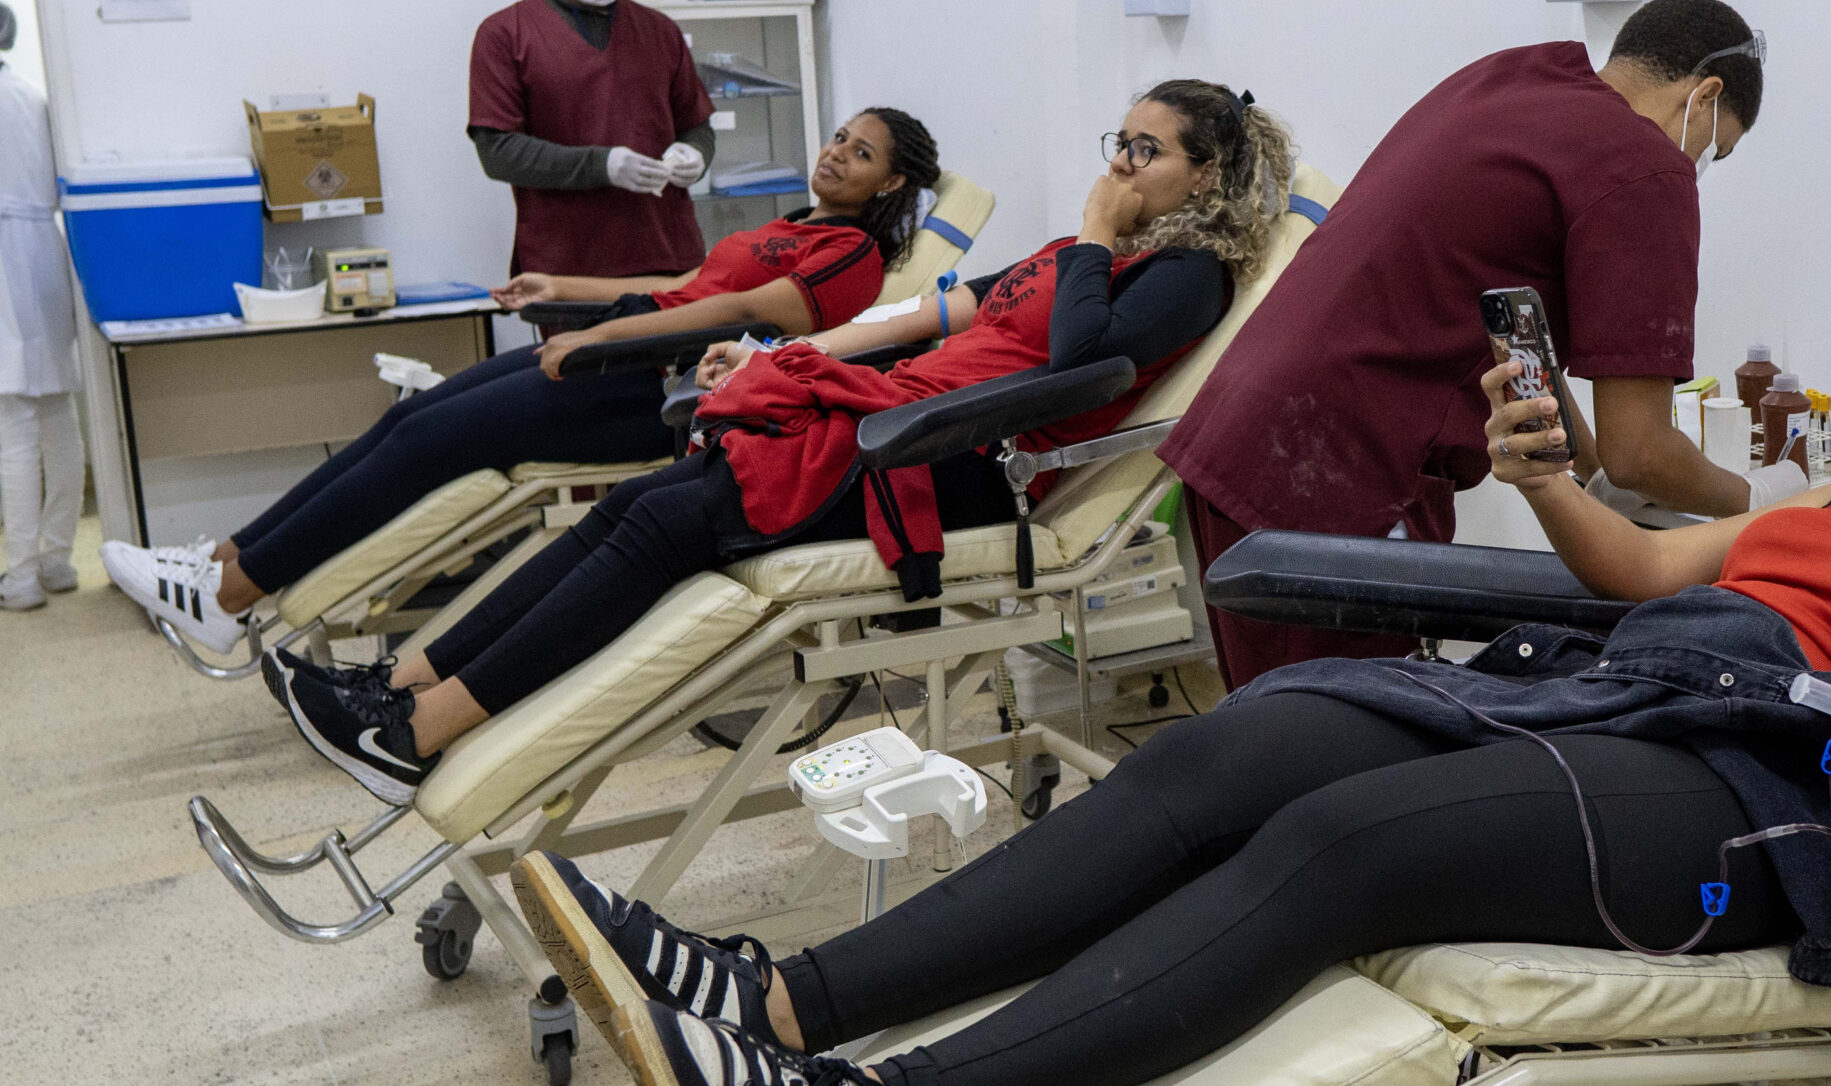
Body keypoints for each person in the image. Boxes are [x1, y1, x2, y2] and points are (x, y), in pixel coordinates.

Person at [504, 279, 1831, 1086]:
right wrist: (1545, 473)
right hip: (1604, 694)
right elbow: (1633, 578)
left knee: (1343, 842)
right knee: (1247, 738)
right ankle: (781, 1002)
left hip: (1750, 793)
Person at [276, 81, 1294, 806]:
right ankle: (403, 685)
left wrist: (1091, 230)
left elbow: (1080, 364)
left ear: (1206, 178)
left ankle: (421, 736)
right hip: (888, 413)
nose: (1117, 164)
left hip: (947, 461)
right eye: (1115, 142)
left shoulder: (1185, 274)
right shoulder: (1086, 254)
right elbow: (942, 312)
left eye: (1143, 151)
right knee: (634, 506)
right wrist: (788, 360)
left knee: (665, 526)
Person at [99, 109, 940, 653]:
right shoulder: (795, 223)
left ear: (892, 183)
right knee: (417, 416)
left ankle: (230, 599)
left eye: (860, 154)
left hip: (663, 396)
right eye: (837, 138)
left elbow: (719, 321)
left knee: (430, 439)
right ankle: (221, 561)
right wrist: (562, 292)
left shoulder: (851, 256)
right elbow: (683, 284)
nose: (836, 155)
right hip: (626, 353)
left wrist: (595, 337)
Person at [1159, 0, 1771, 687]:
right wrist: (1769, 502)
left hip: (1241, 437)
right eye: (1713, 146)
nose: (1696, 165)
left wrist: (1592, 474)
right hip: (1336, 485)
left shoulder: (1512, 78)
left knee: (1266, 736)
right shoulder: (1643, 162)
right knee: (1324, 754)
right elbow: (1642, 454)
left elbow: (1522, 345)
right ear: (1705, 93)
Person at [467, 0, 716, 278]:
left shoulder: (660, 32)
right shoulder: (506, 34)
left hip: (669, 262)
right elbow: (498, 152)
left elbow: (697, 126)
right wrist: (604, 165)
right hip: (567, 272)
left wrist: (696, 155)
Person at [0, 3, 84, 613]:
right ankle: (57, 560)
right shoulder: (32, 97)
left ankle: (21, 577)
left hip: (6, 258)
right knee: (59, 414)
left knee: (14, 426)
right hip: (45, 250)